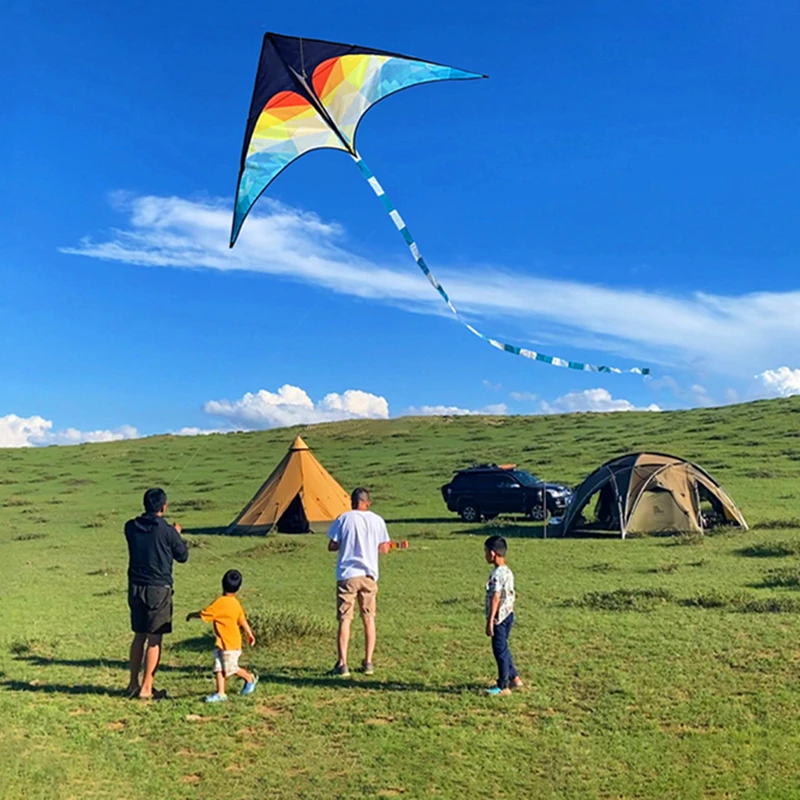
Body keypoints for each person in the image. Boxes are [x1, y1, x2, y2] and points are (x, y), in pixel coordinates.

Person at [124, 487, 188, 700]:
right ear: (164, 506)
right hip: (158, 589)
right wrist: (176, 534)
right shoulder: (167, 531)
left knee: (138, 636)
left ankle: (133, 683)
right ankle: (146, 687)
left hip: (135, 587)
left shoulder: (130, 527)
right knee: (154, 639)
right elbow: (182, 556)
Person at [327, 487, 391, 676]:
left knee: (345, 619)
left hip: (347, 574)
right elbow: (384, 548)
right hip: (369, 574)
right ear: (367, 503)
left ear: (352, 502)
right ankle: (368, 662)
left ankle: (342, 663)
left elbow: (332, 545)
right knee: (369, 619)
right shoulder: (377, 520)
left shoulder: (344, 518)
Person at [186, 569, 258, 703]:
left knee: (231, 669)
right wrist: (249, 633)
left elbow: (204, 613)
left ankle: (249, 678)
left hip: (230, 644)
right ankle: (220, 693)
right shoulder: (235, 603)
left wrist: (191, 615)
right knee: (218, 667)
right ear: (238, 588)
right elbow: (242, 619)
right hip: (222, 642)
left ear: (222, 584)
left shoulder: (219, 603)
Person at [484, 535, 523, 696]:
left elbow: (496, 597)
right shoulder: (508, 571)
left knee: (499, 650)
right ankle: (515, 678)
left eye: (485, 551)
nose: (485, 555)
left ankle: (503, 686)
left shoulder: (497, 575)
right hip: (508, 614)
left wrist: (490, 621)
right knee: (504, 648)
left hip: (499, 617)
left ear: (493, 553)